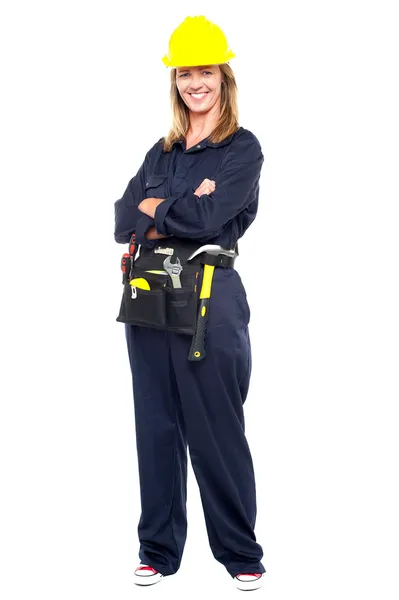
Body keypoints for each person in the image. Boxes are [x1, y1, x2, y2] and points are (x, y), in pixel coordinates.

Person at [114, 15, 266, 592]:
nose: (193, 83)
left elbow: (211, 218)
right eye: (184, 73)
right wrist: (161, 208)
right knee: (155, 425)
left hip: (211, 298)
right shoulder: (163, 150)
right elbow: (125, 215)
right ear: (174, 80)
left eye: (205, 71)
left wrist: (160, 208)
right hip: (149, 292)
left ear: (223, 77)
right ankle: (157, 549)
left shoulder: (242, 149)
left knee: (215, 428)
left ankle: (240, 552)